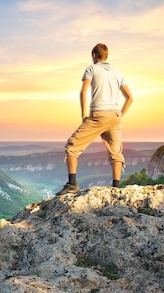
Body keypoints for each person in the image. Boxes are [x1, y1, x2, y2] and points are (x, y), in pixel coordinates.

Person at [57, 43, 133, 196]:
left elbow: (84, 91)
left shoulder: (91, 69)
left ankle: (72, 184)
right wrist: (120, 115)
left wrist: (84, 114)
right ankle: (116, 188)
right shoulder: (118, 73)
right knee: (116, 151)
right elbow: (130, 98)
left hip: (99, 114)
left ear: (93, 55)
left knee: (72, 146)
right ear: (107, 55)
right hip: (116, 115)